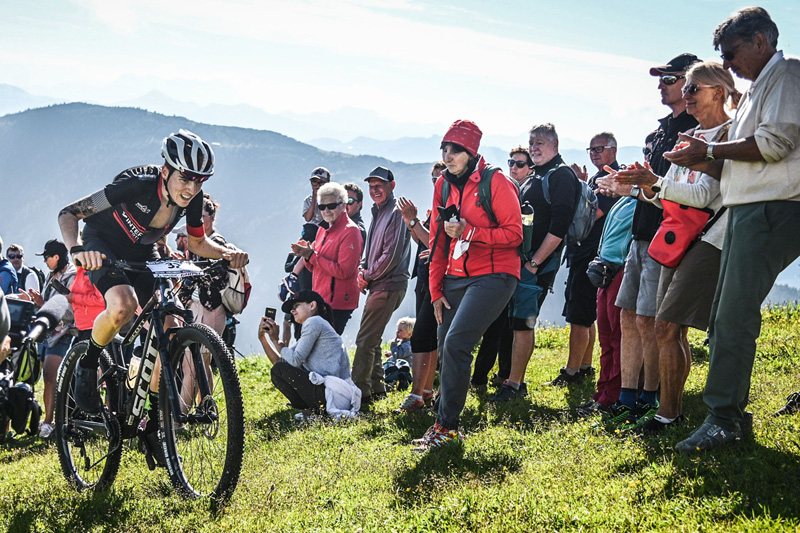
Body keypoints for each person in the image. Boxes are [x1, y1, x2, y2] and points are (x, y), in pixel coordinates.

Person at [662, 8, 800, 452]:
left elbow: (775, 144)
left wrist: (710, 149)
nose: (728, 61)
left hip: (771, 209)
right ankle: (729, 413)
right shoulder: (761, 86)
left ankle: (724, 420)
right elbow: (736, 167)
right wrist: (702, 160)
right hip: (749, 209)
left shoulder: (787, 75)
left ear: (760, 41)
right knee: (724, 316)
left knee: (734, 315)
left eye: (731, 52)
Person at [57, 129, 248, 413]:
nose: (190, 190)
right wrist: (77, 249)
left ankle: (154, 417)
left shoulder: (193, 199)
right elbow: (69, 213)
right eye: (184, 178)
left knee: (171, 325)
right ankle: (87, 365)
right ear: (166, 170)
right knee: (124, 304)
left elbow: (197, 242)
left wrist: (227, 254)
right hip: (102, 245)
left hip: (143, 251)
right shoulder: (137, 185)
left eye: (199, 182)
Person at [611, 61, 739, 434]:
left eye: (692, 89)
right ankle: (670, 410)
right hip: (678, 239)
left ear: (718, 91)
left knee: (667, 326)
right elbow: (672, 195)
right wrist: (639, 188)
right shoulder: (693, 134)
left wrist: (655, 182)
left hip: (708, 239)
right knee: (671, 329)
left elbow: (703, 196)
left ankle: (669, 412)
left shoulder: (728, 136)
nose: (686, 96)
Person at [597, 54, 700, 429]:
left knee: (655, 321)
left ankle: (651, 400)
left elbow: (677, 189)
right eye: (661, 79)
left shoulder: (696, 130)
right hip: (641, 235)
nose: (662, 85)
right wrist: (623, 187)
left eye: (670, 79)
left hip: (671, 236)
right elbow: (649, 186)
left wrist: (637, 186)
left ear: (691, 85)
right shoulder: (658, 132)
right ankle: (627, 398)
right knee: (628, 316)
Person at [413, 119, 521, 449]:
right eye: (444, 149)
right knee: (447, 345)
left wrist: (471, 233)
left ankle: (448, 428)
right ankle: (442, 423)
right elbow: (438, 241)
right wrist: (435, 292)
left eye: (455, 150)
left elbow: (514, 233)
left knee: (457, 343)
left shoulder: (496, 182)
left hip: (495, 275)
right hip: (455, 278)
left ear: (471, 153)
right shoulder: (443, 186)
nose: (448, 156)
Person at [489, 123, 578, 402]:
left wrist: (535, 263)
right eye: (531, 142)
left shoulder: (561, 176)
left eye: (540, 142)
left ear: (555, 144)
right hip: (522, 262)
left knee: (523, 323)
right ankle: (510, 379)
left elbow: (560, 225)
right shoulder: (536, 176)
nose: (534, 147)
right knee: (515, 322)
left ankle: (515, 385)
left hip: (538, 265)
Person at [549, 133, 620, 387]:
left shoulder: (611, 178)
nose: (594, 153)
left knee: (579, 314)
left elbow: (592, 215)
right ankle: (585, 365)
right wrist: (583, 182)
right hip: (590, 253)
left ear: (613, 149)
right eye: (591, 149)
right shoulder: (598, 177)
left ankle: (571, 372)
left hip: (590, 253)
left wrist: (578, 187)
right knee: (585, 312)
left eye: (600, 148)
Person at [470, 147, 530, 392]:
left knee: (508, 326)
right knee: (499, 326)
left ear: (530, 169)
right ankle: (490, 376)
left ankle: (495, 377)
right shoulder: (504, 188)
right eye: (511, 162)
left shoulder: (523, 192)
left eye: (520, 164)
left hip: (516, 267)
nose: (514, 167)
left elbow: (518, 234)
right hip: (500, 267)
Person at [352, 166, 411, 405]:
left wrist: (367, 273)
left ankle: (359, 395)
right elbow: (371, 252)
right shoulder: (378, 211)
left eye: (380, 185)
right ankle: (376, 389)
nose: (375, 190)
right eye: (372, 186)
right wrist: (362, 270)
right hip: (380, 283)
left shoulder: (396, 213)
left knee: (365, 340)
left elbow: (392, 256)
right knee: (372, 338)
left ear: (392, 186)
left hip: (388, 284)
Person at [258, 290, 354, 419]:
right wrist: (263, 339)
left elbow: (294, 360)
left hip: (334, 394)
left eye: (296, 305)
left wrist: (276, 340)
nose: (292, 311)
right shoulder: (316, 325)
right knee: (279, 369)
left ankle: (311, 414)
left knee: (279, 371)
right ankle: (312, 414)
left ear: (312, 305)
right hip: (337, 395)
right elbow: (281, 362)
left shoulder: (314, 322)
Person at [17, 239, 77, 438]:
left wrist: (42, 302)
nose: (45, 261)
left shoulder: (72, 277)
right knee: (47, 376)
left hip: (64, 334)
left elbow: (69, 312)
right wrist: (33, 302)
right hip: (49, 335)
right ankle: (49, 419)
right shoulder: (52, 276)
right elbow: (46, 309)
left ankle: (49, 422)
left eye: (46, 257)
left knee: (50, 375)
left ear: (56, 257)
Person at [393, 163, 441, 413]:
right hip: (425, 276)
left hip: (438, 279)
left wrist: (412, 220)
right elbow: (421, 239)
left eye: (439, 178)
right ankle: (426, 391)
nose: (435, 182)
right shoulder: (436, 207)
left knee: (423, 335)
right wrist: (413, 224)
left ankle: (417, 394)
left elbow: (434, 241)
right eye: (432, 178)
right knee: (429, 337)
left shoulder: (445, 206)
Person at [291, 182, 364, 335]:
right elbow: (315, 266)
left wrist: (311, 255)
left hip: (337, 304)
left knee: (325, 349)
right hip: (321, 300)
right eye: (322, 207)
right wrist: (306, 255)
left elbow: (344, 271)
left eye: (331, 206)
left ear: (343, 205)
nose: (326, 211)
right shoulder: (323, 230)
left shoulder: (351, 232)